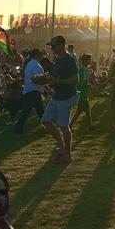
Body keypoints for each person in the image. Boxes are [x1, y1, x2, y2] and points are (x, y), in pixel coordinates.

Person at [37, 35, 79, 164]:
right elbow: (55, 76)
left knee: (64, 126)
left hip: (65, 97)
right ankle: (62, 146)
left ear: (62, 45)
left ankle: (67, 154)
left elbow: (75, 79)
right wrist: (43, 79)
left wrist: (58, 81)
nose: (52, 48)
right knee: (46, 120)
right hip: (57, 95)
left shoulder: (69, 60)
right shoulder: (57, 59)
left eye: (53, 46)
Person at [14, 48, 45, 134]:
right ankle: (49, 126)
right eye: (40, 54)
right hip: (34, 90)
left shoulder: (30, 64)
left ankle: (18, 128)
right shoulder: (35, 65)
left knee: (28, 111)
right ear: (36, 55)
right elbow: (39, 78)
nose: (42, 56)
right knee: (38, 111)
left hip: (30, 90)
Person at [70, 53, 95, 129]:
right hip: (83, 93)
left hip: (80, 91)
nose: (90, 61)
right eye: (89, 59)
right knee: (79, 111)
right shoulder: (85, 70)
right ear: (86, 60)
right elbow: (85, 83)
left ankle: (91, 125)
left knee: (87, 109)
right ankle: (69, 126)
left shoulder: (80, 68)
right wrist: (91, 85)